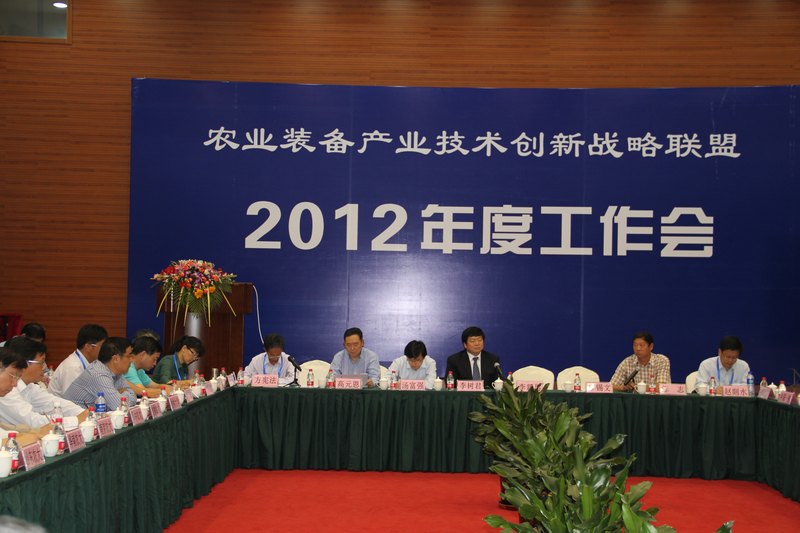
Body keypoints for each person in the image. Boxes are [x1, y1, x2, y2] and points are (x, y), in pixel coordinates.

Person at [0, 337, 86, 428]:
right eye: (41, 362)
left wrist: (84, 413)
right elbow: (32, 422)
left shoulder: (29, 386)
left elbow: (52, 403)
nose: (45, 367)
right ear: (25, 364)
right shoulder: (8, 392)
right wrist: (76, 420)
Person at [62, 337, 137, 410]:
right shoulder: (98, 374)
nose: (132, 360)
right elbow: (118, 406)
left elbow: (133, 397)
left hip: (92, 416)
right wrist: (124, 393)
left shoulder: (117, 372)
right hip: (72, 416)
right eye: (129, 356)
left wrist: (121, 394)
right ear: (115, 359)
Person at [49, 324, 108, 398]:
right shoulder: (73, 367)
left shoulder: (92, 362)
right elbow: (72, 399)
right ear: (88, 347)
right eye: (102, 346)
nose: (105, 350)